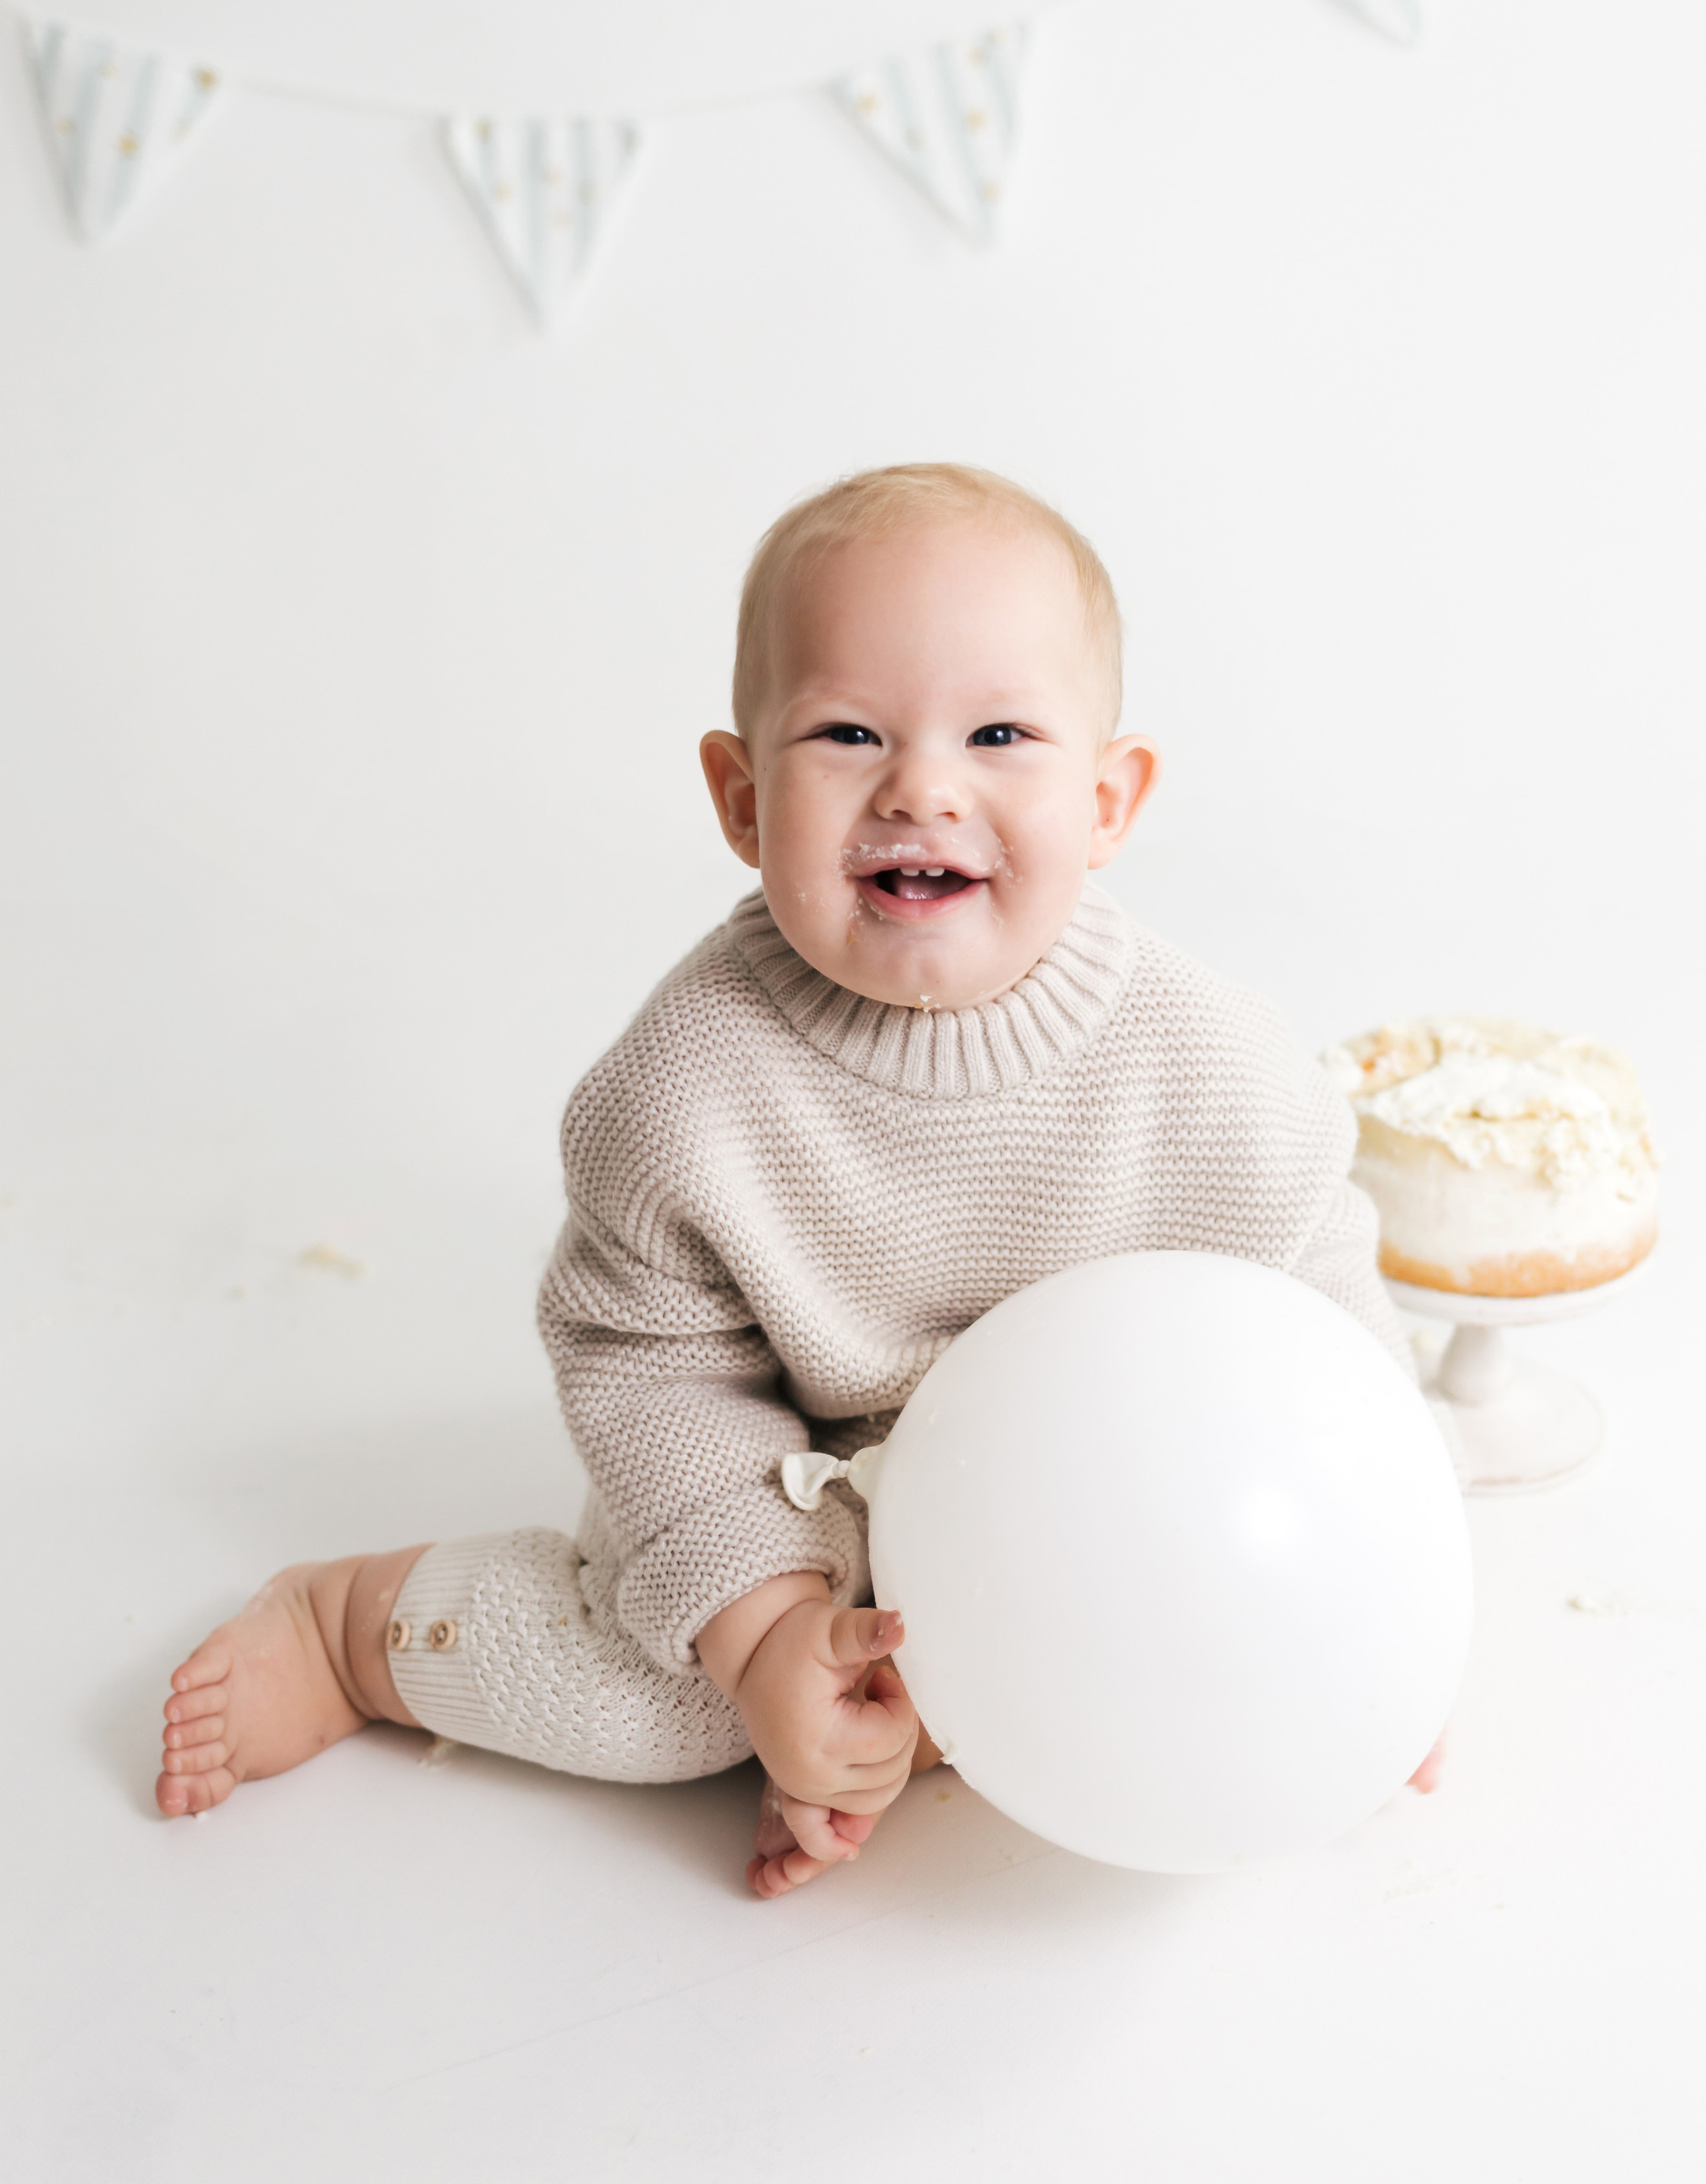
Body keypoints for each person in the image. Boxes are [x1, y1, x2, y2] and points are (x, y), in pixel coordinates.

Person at [157, 462, 1447, 1895]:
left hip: (1092, 1505)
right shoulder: (684, 1090)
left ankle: (894, 1750)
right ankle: (363, 1634)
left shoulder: (1208, 1065)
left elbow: (1317, 1313)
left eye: (998, 732)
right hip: (799, 1490)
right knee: (661, 1712)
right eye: (846, 732)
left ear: (1107, 799)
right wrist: (769, 1635)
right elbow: (647, 1369)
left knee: (1200, 1652)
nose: (921, 787)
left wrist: (1370, 1599)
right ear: (739, 796)